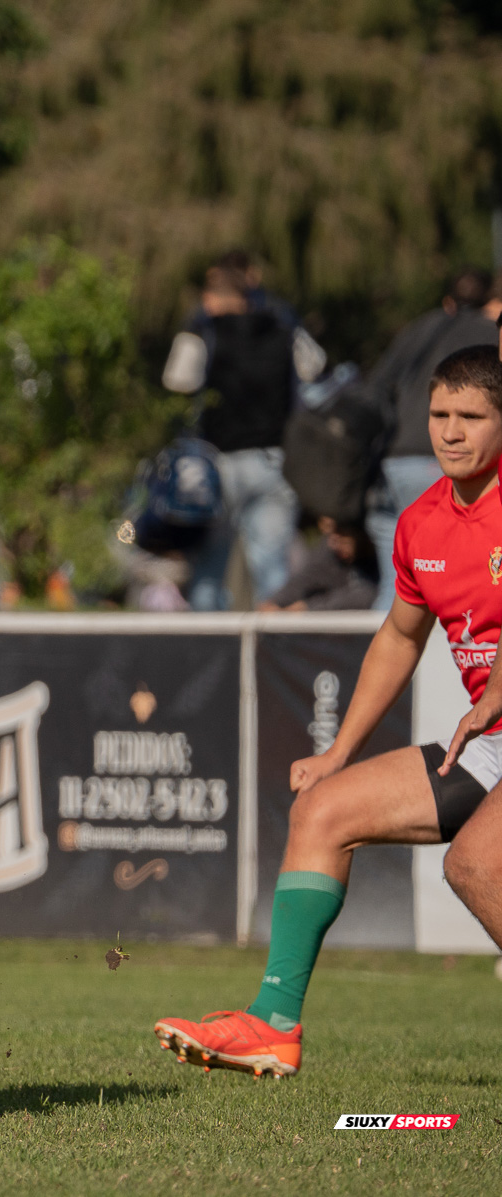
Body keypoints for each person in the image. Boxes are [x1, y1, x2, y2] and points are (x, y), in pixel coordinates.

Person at [153, 346, 502, 1078]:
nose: (451, 431)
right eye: (440, 414)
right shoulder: (421, 524)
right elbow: (400, 637)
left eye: (472, 416)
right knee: (322, 810)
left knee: (475, 861)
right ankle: (272, 1024)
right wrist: (340, 748)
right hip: (491, 738)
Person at [162, 255, 324, 608]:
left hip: (217, 463)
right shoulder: (283, 326)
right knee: (272, 570)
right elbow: (315, 366)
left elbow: (177, 379)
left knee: (208, 568)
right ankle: (272, 656)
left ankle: (209, 654)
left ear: (214, 299)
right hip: (274, 460)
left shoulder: (205, 330)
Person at [361, 268, 502, 607]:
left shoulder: (420, 328)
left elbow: (375, 389)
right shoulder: (488, 338)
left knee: (397, 586)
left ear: (447, 301)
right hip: (442, 464)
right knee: (459, 579)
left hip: (393, 461)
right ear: (489, 303)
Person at [255, 517, 376, 612]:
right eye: (331, 533)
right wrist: (275, 602)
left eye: (342, 534)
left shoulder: (378, 556)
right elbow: (305, 578)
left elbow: (366, 594)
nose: (334, 542)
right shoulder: (330, 548)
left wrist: (306, 609)